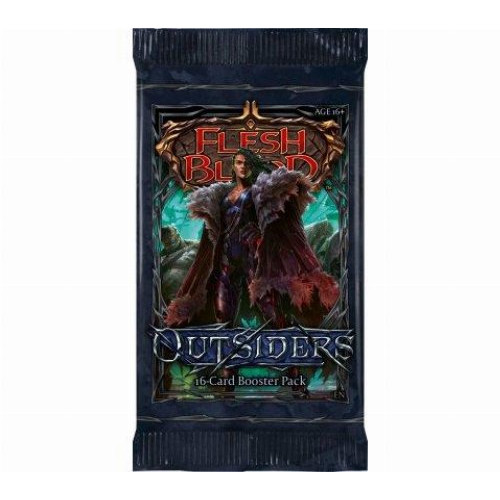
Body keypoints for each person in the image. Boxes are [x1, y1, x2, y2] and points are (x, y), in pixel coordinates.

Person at [166, 148, 339, 328]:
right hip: (225, 256)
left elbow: (277, 218)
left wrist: (262, 233)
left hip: (253, 255)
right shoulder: (223, 196)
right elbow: (216, 229)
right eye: (239, 162)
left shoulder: (260, 193)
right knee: (221, 310)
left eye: (247, 163)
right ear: (233, 166)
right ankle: (224, 342)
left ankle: (282, 336)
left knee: (268, 307)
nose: (243, 167)